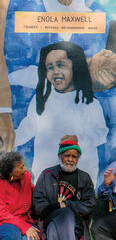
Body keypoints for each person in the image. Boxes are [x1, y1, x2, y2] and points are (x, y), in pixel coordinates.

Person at [1, 0, 116, 169]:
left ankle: (108, 182)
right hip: (31, 92)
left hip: (75, 98)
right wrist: (81, 71)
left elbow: (91, 75)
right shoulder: (23, 1)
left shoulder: (97, 11)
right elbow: (16, 70)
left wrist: (102, 72)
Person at [14, 41, 108, 184]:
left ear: (75, 67)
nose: (55, 71)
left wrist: (78, 139)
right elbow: (27, 128)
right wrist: (7, 140)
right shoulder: (41, 101)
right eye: (50, 67)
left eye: (61, 65)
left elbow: (101, 134)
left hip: (78, 180)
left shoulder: (89, 103)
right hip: (45, 179)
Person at [32, 137, 96, 240]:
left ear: (78, 158)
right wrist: (57, 207)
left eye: (74, 156)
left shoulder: (84, 178)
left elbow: (90, 204)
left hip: (75, 226)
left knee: (64, 216)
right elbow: (38, 204)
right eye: (66, 155)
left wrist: (68, 205)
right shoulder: (47, 175)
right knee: (56, 223)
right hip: (48, 221)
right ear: (60, 156)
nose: (70, 159)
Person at [0, 151, 39, 240]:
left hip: (26, 220)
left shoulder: (26, 177)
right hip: (5, 221)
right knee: (13, 234)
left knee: (33, 238)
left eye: (24, 166)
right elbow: (2, 213)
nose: (25, 170)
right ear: (10, 172)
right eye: (21, 167)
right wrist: (23, 227)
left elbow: (34, 193)